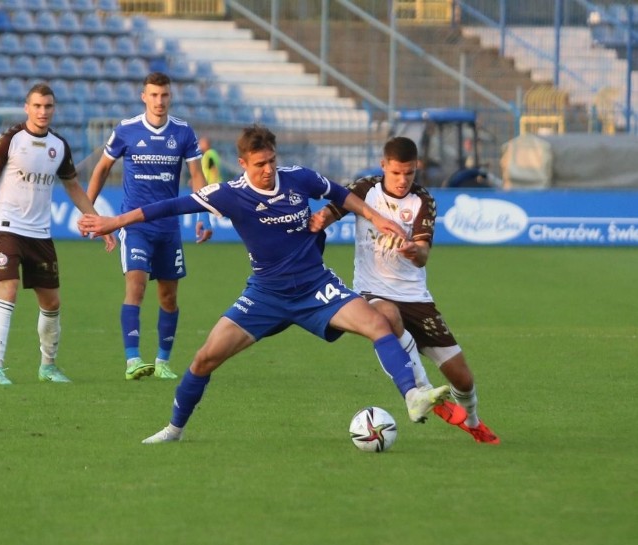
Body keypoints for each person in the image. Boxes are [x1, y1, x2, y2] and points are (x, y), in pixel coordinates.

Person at [78, 125, 452, 444]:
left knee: (377, 323)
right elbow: (171, 207)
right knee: (205, 358)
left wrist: (375, 216)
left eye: (271, 160)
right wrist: (116, 222)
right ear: (243, 164)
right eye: (260, 164)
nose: (269, 169)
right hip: (265, 295)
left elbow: (339, 194)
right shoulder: (230, 194)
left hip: (315, 288)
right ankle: (174, 428)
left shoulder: (298, 178)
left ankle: (413, 395)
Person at [310, 136, 499, 444]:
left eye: (409, 173)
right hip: (372, 291)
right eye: (396, 173)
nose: (402, 180)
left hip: (416, 299)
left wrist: (412, 250)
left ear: (416, 169)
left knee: (463, 379)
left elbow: (423, 257)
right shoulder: (364, 189)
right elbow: (331, 212)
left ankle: (474, 422)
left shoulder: (423, 200)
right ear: (384, 165)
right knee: (386, 315)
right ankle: (422, 392)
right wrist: (321, 219)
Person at [0, 82, 116, 385]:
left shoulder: (59, 146)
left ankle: (48, 366)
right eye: (37, 106)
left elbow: (73, 188)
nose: (43, 112)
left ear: (53, 109)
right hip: (6, 227)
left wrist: (99, 223)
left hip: (40, 233)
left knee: (52, 302)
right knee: (9, 290)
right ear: (26, 107)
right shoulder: (10, 140)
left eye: (48, 106)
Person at [86, 72, 213, 382]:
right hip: (134, 225)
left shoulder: (183, 132)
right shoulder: (126, 130)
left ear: (170, 97)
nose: (159, 101)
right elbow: (102, 168)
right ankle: (133, 360)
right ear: (144, 97)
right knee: (137, 286)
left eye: (164, 95)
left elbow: (197, 175)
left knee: (168, 297)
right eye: (153, 95)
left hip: (169, 227)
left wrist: (204, 214)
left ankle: (162, 361)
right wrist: (88, 210)